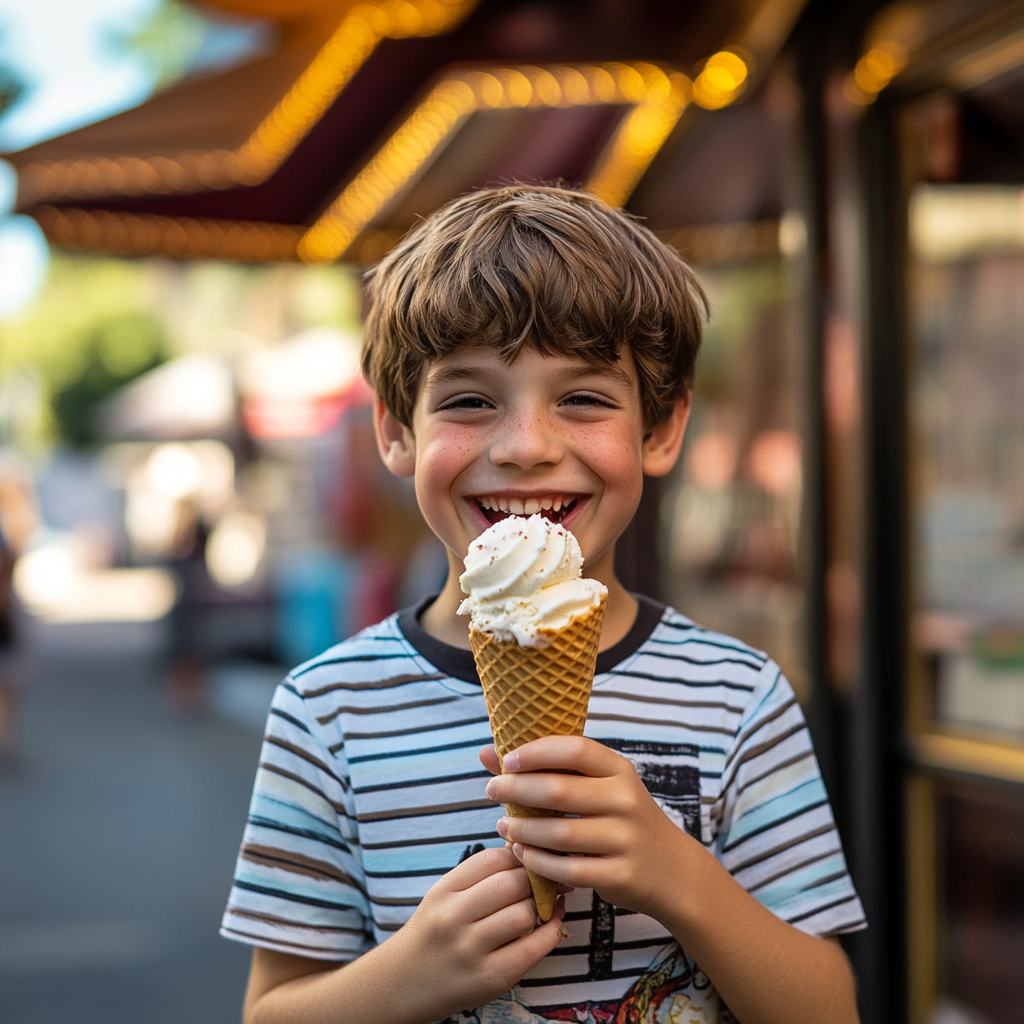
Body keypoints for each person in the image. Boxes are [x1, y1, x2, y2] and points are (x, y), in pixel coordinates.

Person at [221, 184, 865, 1024]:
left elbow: (828, 1010)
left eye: (584, 398)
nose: (527, 446)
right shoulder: (325, 711)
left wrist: (681, 879)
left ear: (662, 429)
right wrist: (411, 973)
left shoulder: (738, 694)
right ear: (395, 433)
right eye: (468, 399)